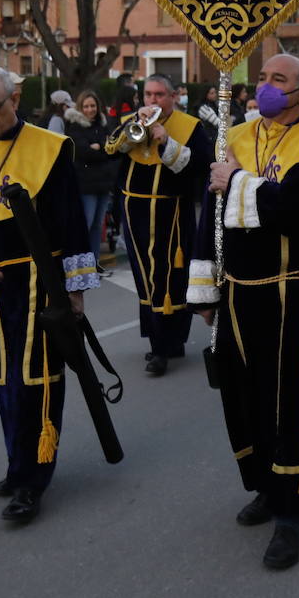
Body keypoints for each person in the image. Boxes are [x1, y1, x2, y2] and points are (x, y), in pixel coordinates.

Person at [187, 54, 299, 571]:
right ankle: (263, 485)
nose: (266, 87)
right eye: (262, 78)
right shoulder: (235, 137)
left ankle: (292, 514)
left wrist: (233, 181)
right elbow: (209, 219)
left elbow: (294, 209)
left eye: (279, 80)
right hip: (238, 292)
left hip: (295, 294)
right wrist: (206, 290)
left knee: (296, 402)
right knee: (245, 395)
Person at [0, 67, 99, 524]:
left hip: (40, 281)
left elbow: (72, 223)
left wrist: (74, 291)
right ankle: (17, 463)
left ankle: (33, 479)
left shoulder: (49, 149)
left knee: (37, 378)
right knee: (4, 377)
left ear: (15, 100)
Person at [112, 73, 211, 376]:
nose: (152, 101)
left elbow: (200, 165)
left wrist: (166, 141)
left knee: (167, 279)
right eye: (148, 95)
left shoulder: (190, 126)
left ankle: (164, 346)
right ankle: (163, 340)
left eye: (158, 95)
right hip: (134, 209)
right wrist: (131, 131)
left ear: (172, 97)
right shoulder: (133, 119)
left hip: (169, 212)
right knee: (145, 276)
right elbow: (111, 149)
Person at [65, 90, 118, 267]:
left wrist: (99, 148)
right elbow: (83, 152)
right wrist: (99, 149)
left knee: (97, 226)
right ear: (81, 107)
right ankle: (79, 264)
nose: (90, 109)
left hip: (103, 183)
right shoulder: (75, 126)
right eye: (86, 106)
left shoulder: (102, 124)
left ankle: (93, 263)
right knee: (85, 225)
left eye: (93, 106)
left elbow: (112, 149)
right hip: (86, 184)